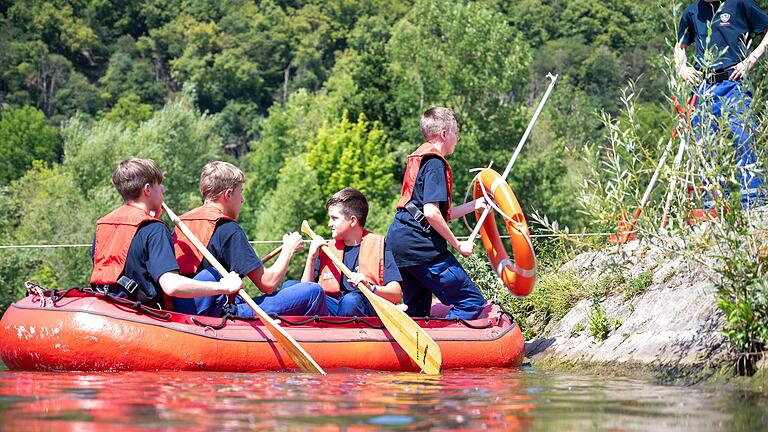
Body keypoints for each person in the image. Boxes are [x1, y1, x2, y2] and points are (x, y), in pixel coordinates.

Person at [171, 161, 328, 317]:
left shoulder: (182, 223)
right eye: (241, 192)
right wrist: (288, 249)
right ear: (228, 194)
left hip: (185, 308)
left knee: (291, 285)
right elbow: (268, 284)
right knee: (313, 292)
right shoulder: (227, 228)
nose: (242, 200)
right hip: (218, 313)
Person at [90, 158, 243, 310]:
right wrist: (223, 287)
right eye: (159, 185)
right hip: (145, 315)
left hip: (110, 307)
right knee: (213, 274)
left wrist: (152, 217)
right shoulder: (154, 229)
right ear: (147, 189)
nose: (163, 190)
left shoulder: (104, 225)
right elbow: (171, 286)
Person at [386, 107, 488, 320]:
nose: (457, 139)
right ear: (444, 134)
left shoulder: (421, 158)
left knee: (418, 311)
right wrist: (458, 246)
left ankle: (418, 348)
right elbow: (431, 213)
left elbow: (436, 213)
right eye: (455, 133)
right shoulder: (434, 163)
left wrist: (474, 205)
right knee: (472, 303)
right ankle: (451, 348)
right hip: (421, 246)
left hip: (399, 241)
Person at [676, 0, 768, 207]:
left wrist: (751, 60)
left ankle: (752, 199)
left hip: (733, 82)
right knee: (704, 145)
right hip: (704, 87)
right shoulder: (692, 12)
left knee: (743, 138)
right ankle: (712, 203)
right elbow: (680, 45)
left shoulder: (740, 4)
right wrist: (682, 68)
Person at [302, 188, 402, 317]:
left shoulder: (380, 245)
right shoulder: (326, 249)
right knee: (291, 285)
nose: (329, 224)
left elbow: (396, 294)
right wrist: (311, 257)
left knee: (350, 301)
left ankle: (340, 335)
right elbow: (304, 291)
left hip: (364, 305)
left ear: (353, 221)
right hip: (334, 306)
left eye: (334, 218)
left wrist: (370, 287)